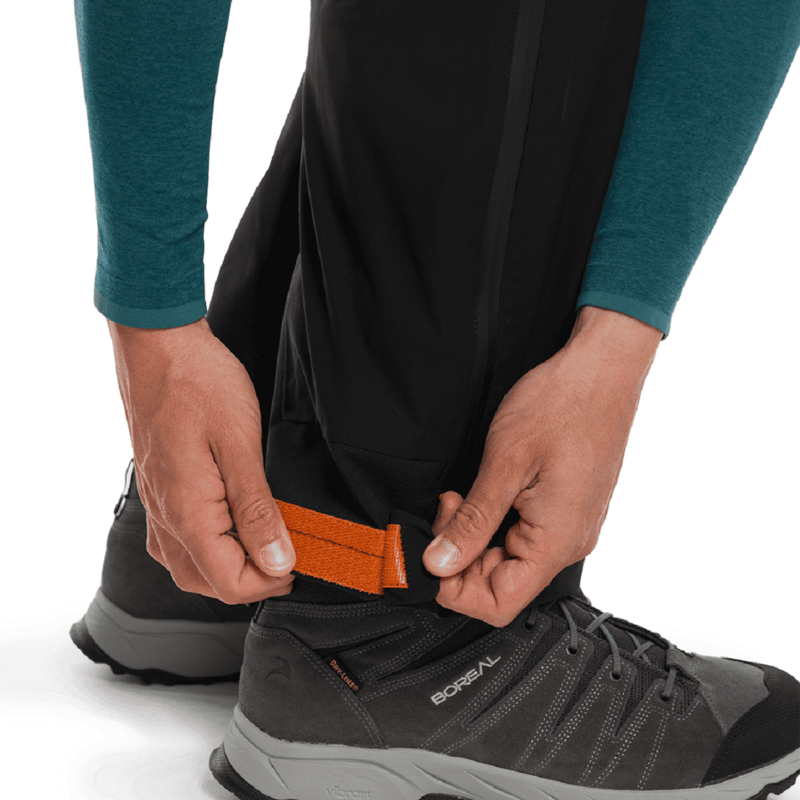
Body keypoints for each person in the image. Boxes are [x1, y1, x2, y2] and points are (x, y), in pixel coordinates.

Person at [72, 0, 800, 797]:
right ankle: (402, 632)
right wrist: (154, 335)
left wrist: (614, 341)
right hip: (405, 579)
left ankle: (252, 501)